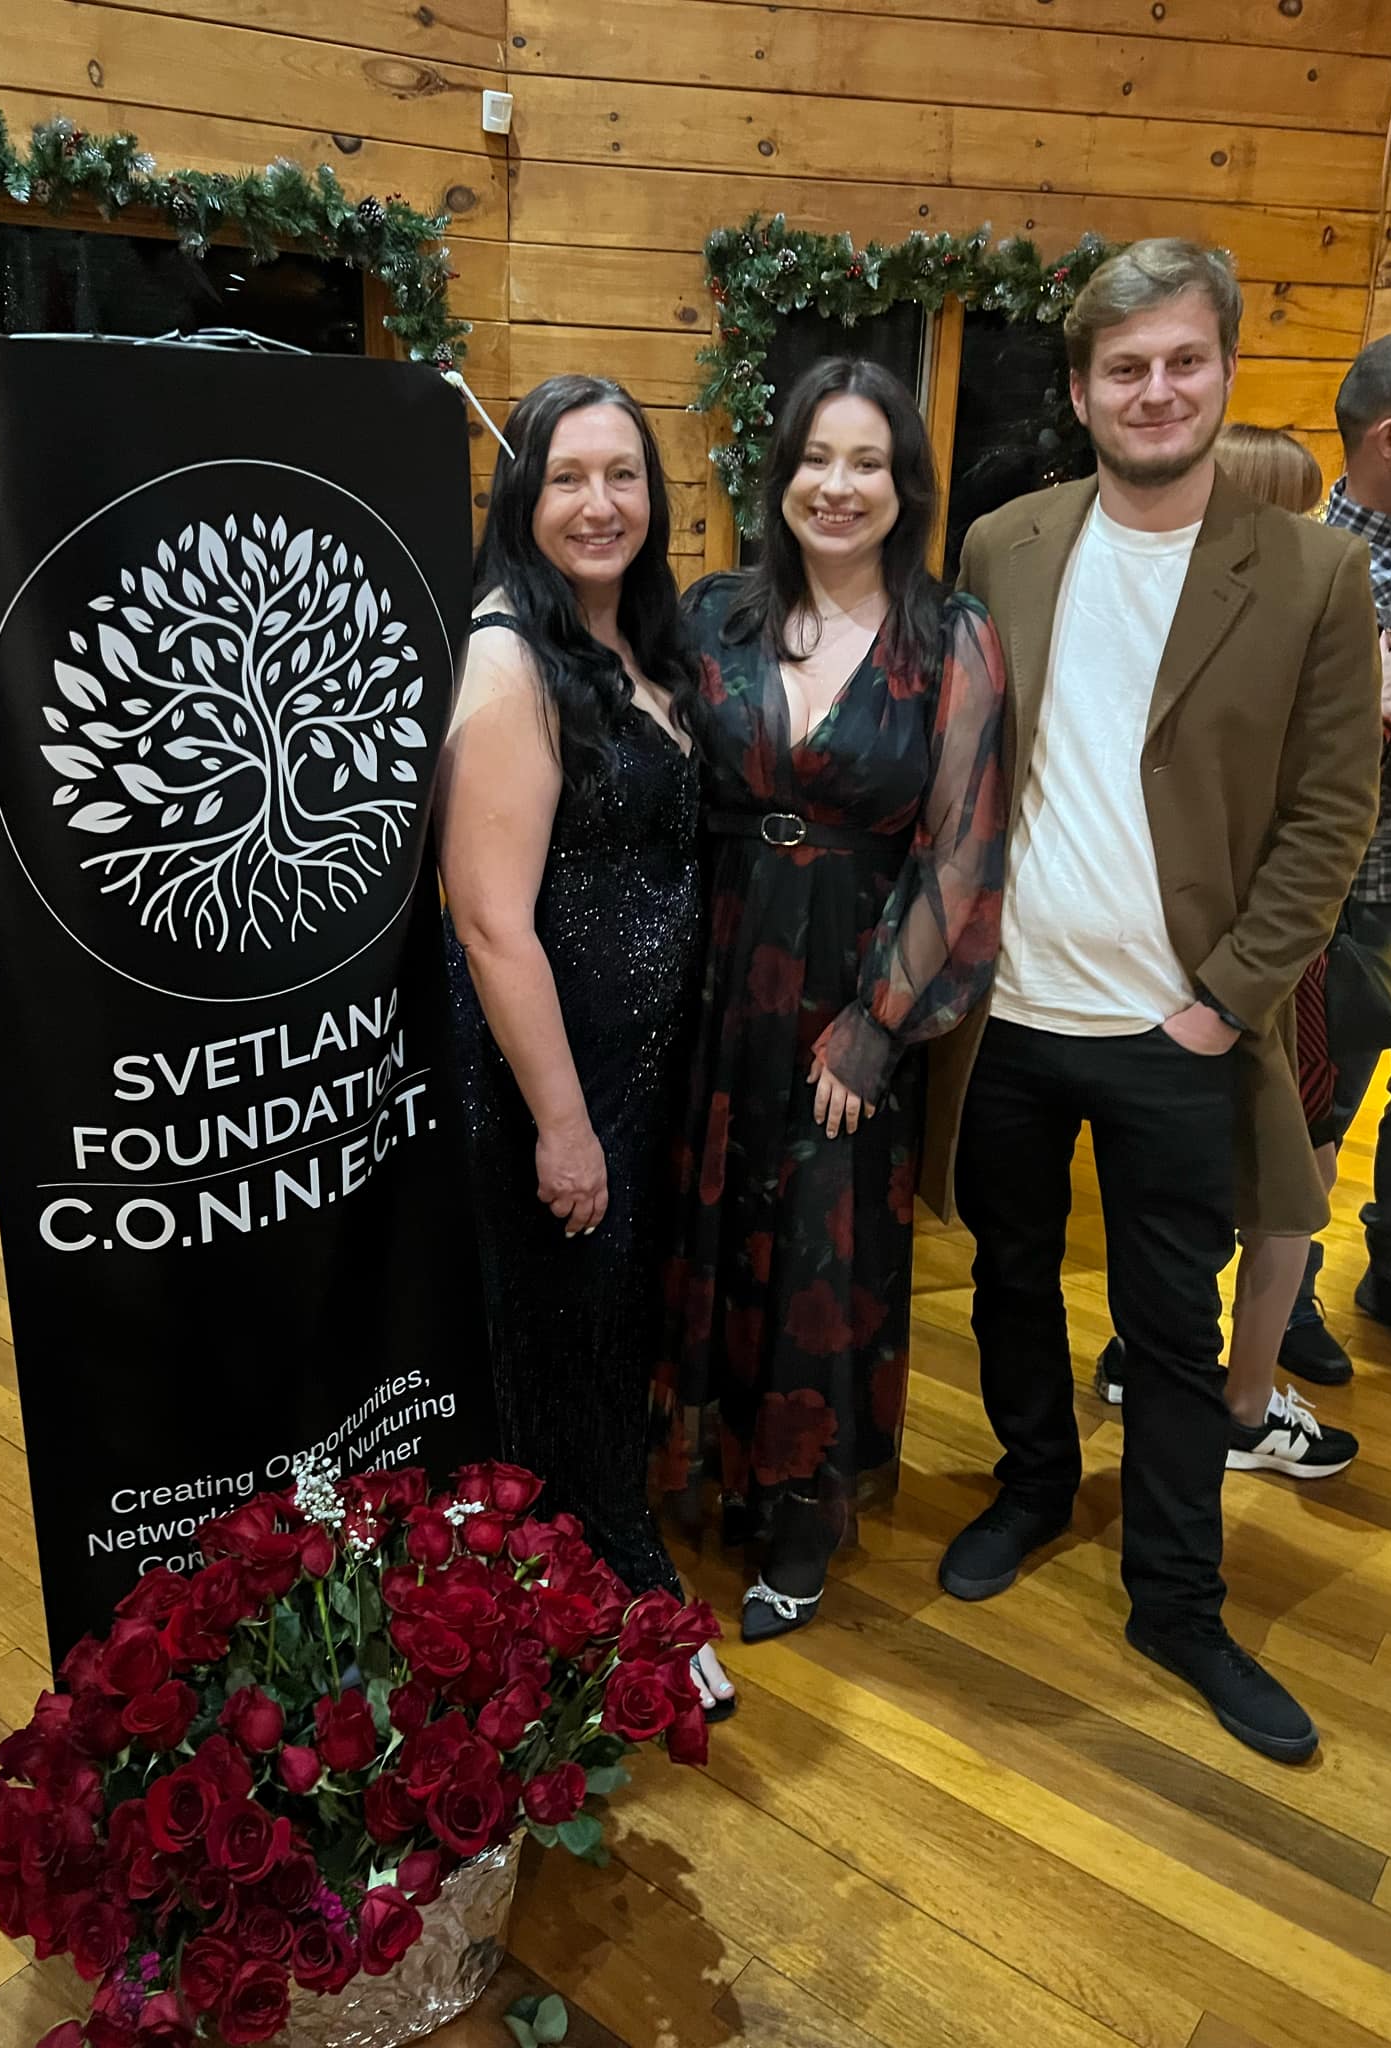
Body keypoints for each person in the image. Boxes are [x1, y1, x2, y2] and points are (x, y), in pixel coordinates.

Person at [932, 240, 1380, 1764]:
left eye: (1184, 361)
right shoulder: (1004, 544)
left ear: (1226, 371)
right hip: (1009, 1019)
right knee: (1005, 1275)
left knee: (1172, 1329)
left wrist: (1224, 1001)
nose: (1156, 390)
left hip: (1176, 1030)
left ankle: (1178, 1601)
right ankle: (1033, 1486)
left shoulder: (1313, 574)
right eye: (1125, 367)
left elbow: (1331, 813)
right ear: (1081, 391)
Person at [656, 357, 1006, 1643]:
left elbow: (962, 847)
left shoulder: (951, 634)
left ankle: (798, 1517)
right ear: (781, 475)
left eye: (868, 461)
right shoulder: (714, 614)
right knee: (703, 1221)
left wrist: (875, 1025)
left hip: (853, 986)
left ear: (906, 484)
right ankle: (700, 1472)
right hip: (713, 973)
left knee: (822, 1245)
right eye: (816, 457)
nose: (838, 485)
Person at [438, 373, 734, 1717]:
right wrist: (562, 1123)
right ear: (523, 495)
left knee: (605, 1335)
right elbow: (491, 921)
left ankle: (581, 1579)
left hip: (641, 1066)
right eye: (567, 477)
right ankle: (614, 1599)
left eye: (622, 475)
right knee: (567, 1343)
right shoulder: (510, 656)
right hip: (553, 1081)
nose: (599, 503)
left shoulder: (640, 639)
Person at [1094, 424, 1360, 1481]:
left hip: (1252, 949)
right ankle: (1241, 1403)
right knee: (1286, 1180)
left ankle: (1164, 1361)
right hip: (1264, 947)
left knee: (1241, 1178)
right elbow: (1310, 797)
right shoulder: (1277, 607)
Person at [1280, 331, 1391, 1378]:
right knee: (1321, 1109)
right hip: (1361, 895)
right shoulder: (1317, 569)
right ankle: (1288, 1297)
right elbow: (1313, 749)